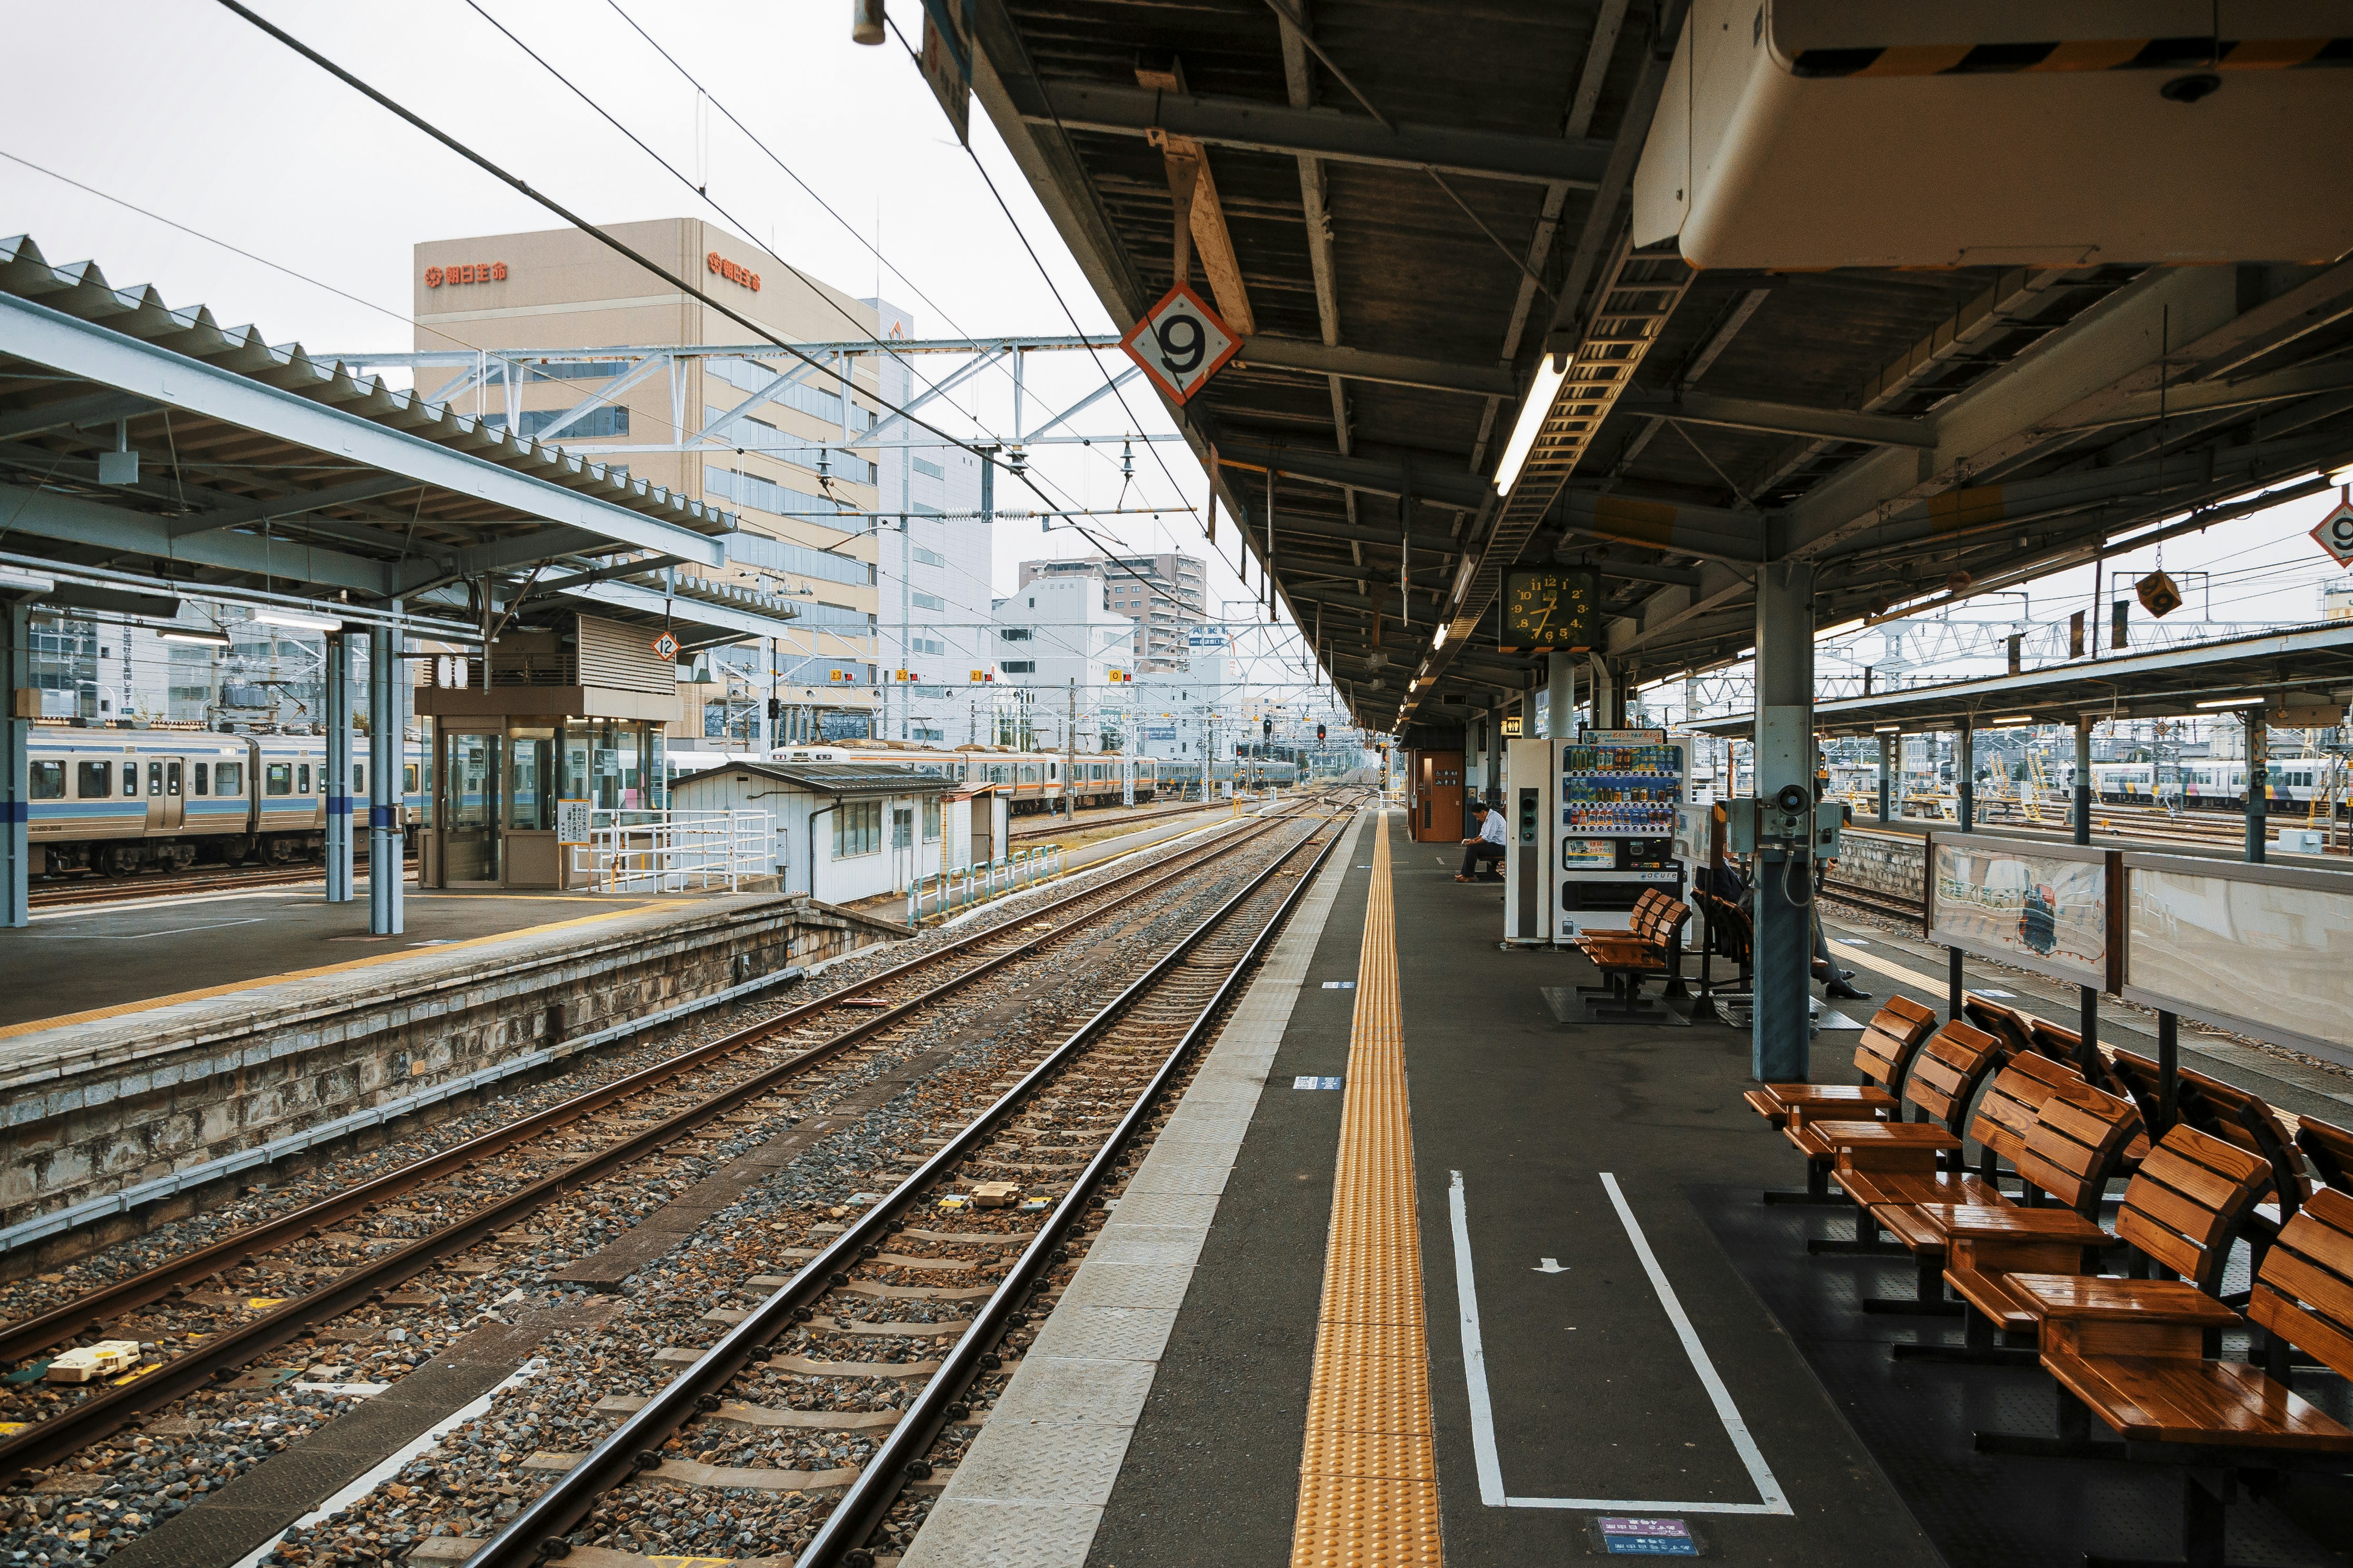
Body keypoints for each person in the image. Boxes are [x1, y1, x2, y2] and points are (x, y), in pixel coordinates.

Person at [1457, 802, 1507, 881]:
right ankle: (1465, 874)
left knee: (1473, 848)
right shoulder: (1488, 818)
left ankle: (1468, 876)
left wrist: (1473, 842)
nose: (1477, 819)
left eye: (1477, 816)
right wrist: (1473, 840)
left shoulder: (1494, 818)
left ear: (1483, 812)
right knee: (1472, 847)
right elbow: (1482, 835)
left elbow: (1486, 838)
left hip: (1501, 848)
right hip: (1494, 845)